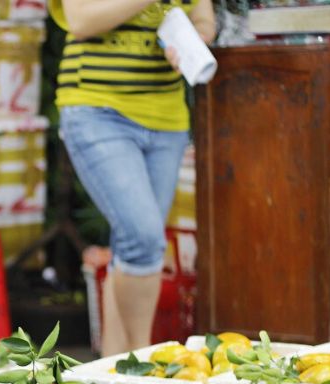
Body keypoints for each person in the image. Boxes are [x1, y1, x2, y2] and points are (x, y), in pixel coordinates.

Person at [51, 0, 214, 355]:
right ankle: (141, 359)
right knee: (143, 238)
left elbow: (203, 16)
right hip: (97, 110)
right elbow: (81, 18)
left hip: (166, 119)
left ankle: (111, 369)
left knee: (131, 244)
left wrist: (193, 41)